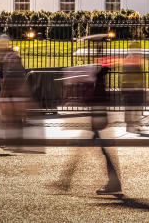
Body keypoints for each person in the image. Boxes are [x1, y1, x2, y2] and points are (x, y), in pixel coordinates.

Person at [54, 34, 124, 197]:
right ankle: (66, 181)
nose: (93, 52)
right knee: (96, 149)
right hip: (98, 112)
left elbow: (97, 90)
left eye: (96, 48)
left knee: (99, 149)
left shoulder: (100, 69)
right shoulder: (99, 69)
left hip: (98, 113)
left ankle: (66, 181)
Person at [122, 41, 148, 134]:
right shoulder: (131, 59)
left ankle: (134, 125)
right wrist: (137, 84)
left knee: (133, 107)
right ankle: (132, 126)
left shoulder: (133, 58)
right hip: (132, 88)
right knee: (133, 107)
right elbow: (131, 75)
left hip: (132, 87)